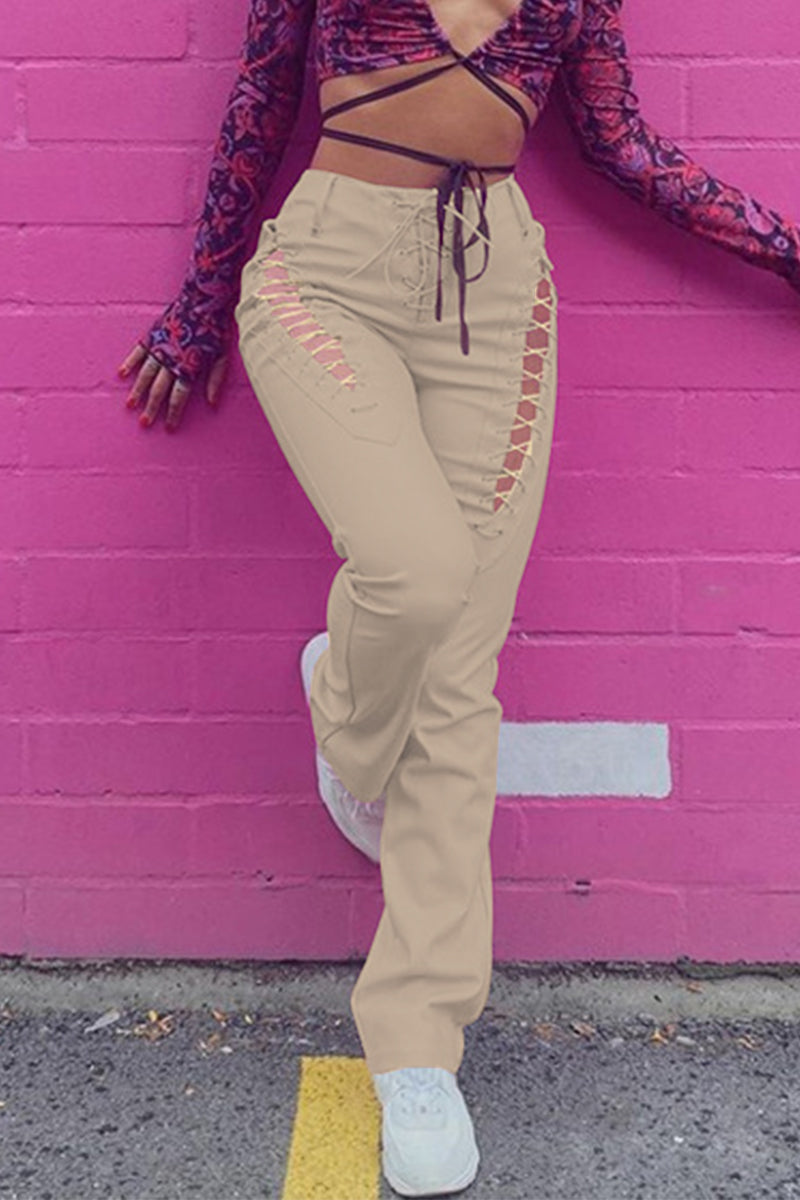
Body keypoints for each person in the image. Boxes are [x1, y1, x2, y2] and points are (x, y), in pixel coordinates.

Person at [117, 2, 800, 1195]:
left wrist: (786, 250)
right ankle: (348, 709)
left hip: (496, 294)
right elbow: (259, 102)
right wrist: (198, 305)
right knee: (415, 573)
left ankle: (416, 1049)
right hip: (325, 273)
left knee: (457, 678)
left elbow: (619, 144)